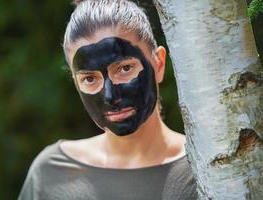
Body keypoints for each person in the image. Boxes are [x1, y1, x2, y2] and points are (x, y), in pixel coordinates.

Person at [18, 0, 198, 199]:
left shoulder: (208, 169)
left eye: (124, 69)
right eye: (89, 79)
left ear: (159, 63)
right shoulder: (51, 175)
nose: (111, 96)